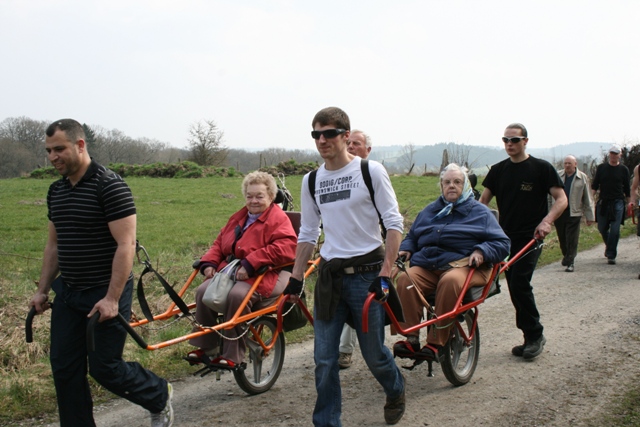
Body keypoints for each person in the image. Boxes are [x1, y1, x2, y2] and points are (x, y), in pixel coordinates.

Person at [28, 119, 174, 427]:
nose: (53, 157)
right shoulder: (56, 191)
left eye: (59, 149)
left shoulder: (109, 186)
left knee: (105, 367)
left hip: (105, 292)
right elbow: (53, 246)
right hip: (68, 292)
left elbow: (126, 245)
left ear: (80, 145)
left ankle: (158, 394)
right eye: (48, 151)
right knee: (64, 369)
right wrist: (42, 290)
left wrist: (111, 298)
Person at [284, 107, 406, 426]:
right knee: (324, 360)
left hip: (368, 275)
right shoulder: (311, 181)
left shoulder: (371, 171)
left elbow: (394, 224)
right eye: (316, 134)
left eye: (329, 133)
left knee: (374, 355)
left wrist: (386, 272)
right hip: (330, 276)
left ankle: (395, 388)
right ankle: (327, 422)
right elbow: (309, 232)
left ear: (346, 136)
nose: (322, 140)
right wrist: (295, 278)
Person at [393, 163, 510, 359]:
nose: (451, 186)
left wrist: (482, 250)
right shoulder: (430, 211)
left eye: (457, 182)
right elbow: (413, 236)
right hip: (430, 265)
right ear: (441, 185)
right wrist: (406, 248)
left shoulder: (479, 212)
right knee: (406, 281)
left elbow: (502, 243)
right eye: (447, 182)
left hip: (467, 265)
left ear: (465, 186)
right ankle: (410, 338)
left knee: (450, 281)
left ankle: (436, 343)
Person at [187, 171, 297, 366]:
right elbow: (219, 243)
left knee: (237, 296)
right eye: (249, 196)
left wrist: (252, 262)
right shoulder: (239, 217)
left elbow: (287, 246)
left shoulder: (278, 219)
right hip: (232, 271)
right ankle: (207, 347)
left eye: (260, 196)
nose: (253, 201)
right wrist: (209, 263)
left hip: (266, 273)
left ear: (271, 196)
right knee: (203, 291)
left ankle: (232, 355)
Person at [479, 123, 567, 360]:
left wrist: (547, 222)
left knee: (519, 282)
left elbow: (561, 199)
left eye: (514, 140)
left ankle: (535, 335)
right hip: (505, 239)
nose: (510, 144)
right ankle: (530, 336)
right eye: (506, 140)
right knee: (514, 285)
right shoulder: (498, 171)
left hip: (532, 237)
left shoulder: (541, 168)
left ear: (525, 141)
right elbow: (482, 203)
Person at [338, 129, 372, 369]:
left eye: (356, 144)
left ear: (368, 151)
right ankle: (341, 349)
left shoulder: (372, 175)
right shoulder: (334, 176)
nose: (350, 147)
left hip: (368, 253)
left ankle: (353, 349)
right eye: (348, 143)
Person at [551, 155, 595, 272]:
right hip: (560, 212)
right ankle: (566, 256)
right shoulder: (558, 176)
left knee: (572, 238)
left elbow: (588, 198)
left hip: (574, 212)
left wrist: (590, 216)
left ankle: (570, 262)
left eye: (569, 163)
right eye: (565, 163)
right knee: (562, 238)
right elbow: (550, 196)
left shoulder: (582, 178)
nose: (567, 165)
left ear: (575, 164)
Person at [591, 145, 630, 265]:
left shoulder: (624, 170)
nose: (613, 156)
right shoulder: (602, 168)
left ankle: (611, 255)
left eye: (616, 153)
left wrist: (629, 204)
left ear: (620, 155)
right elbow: (595, 186)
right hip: (604, 202)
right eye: (612, 153)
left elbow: (627, 188)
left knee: (615, 229)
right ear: (609, 154)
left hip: (618, 202)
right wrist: (590, 201)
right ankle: (609, 247)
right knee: (602, 228)